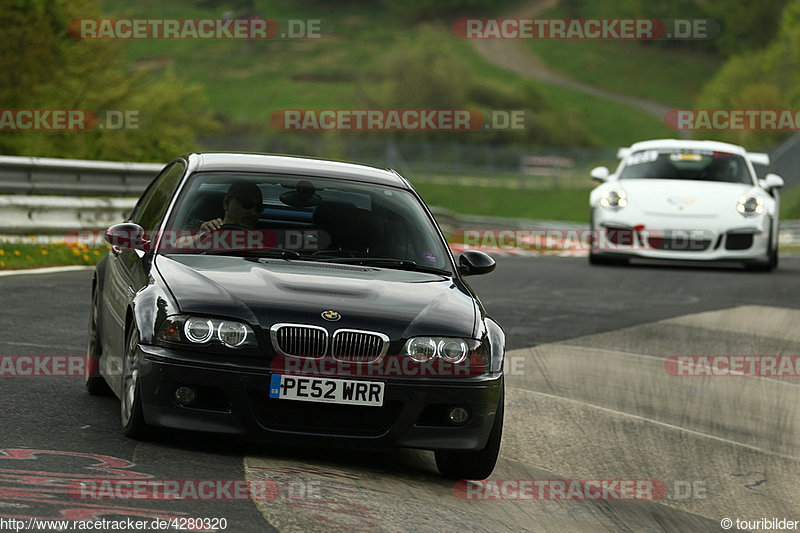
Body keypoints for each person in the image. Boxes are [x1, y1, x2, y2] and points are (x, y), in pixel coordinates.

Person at [175, 182, 264, 249]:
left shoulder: (266, 235)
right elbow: (176, 245)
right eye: (246, 204)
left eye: (259, 208)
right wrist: (201, 236)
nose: (253, 213)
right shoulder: (197, 227)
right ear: (227, 203)